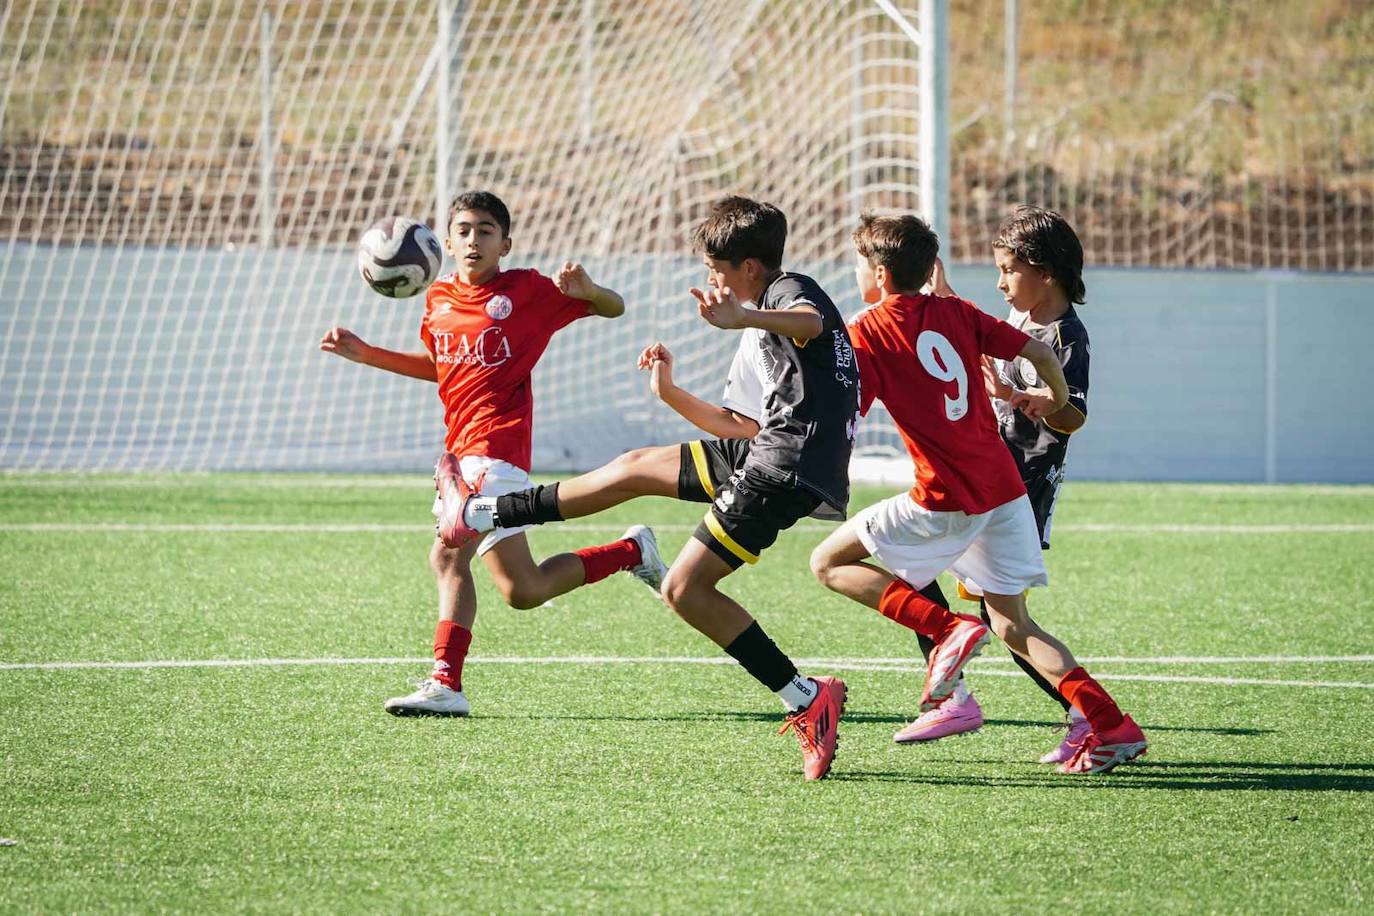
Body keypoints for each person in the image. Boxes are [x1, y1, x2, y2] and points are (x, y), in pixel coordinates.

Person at [446, 196, 858, 780]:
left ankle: (805, 696)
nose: (710, 280)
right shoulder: (761, 316)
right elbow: (740, 426)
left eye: (716, 268)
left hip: (785, 467)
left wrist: (745, 318)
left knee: (685, 590)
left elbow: (810, 323)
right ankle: (485, 510)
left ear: (749, 267)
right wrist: (670, 393)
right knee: (636, 465)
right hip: (768, 447)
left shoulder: (789, 290)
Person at [810, 212, 1146, 774]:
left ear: (882, 274)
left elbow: (845, 408)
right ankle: (1109, 724)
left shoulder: (866, 329)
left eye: (860, 265)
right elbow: (1034, 357)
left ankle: (948, 641)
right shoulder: (959, 312)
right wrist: (1045, 393)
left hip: (948, 495)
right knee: (1013, 625)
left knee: (828, 561)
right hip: (1004, 490)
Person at [319, 190, 665, 718]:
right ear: (447, 242)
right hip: (460, 452)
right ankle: (631, 552)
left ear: (505, 242)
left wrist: (591, 290)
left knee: (448, 553)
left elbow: (613, 308)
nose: (473, 239)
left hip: (497, 449)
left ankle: (445, 682)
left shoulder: (526, 290)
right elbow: (441, 367)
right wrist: (366, 354)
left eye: (485, 230)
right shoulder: (436, 300)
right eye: (463, 230)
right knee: (523, 590)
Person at [902, 207, 1096, 763]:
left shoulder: (1065, 337)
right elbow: (983, 346)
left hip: (1018, 491)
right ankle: (1082, 714)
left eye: (1010, 269)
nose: (1002, 280)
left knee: (996, 618)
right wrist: (946, 301)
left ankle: (1075, 714)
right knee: (995, 617)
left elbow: (1075, 417)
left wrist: (1046, 402)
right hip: (987, 482)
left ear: (1047, 272)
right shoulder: (1023, 324)